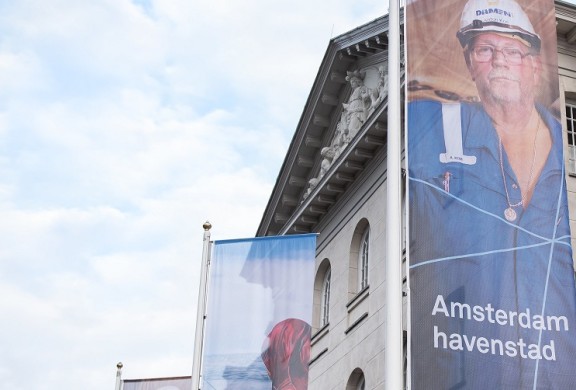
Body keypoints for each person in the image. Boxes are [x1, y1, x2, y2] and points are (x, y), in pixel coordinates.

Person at [407, 0, 576, 388]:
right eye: (485, 49)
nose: (500, 60)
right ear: (469, 62)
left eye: (514, 51)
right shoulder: (431, 126)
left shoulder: (557, 142)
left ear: (534, 65)